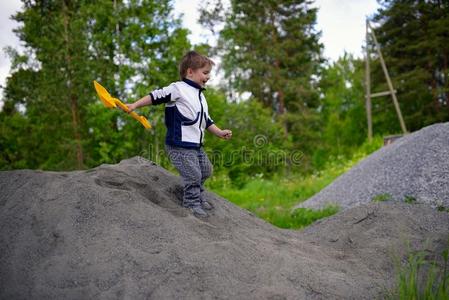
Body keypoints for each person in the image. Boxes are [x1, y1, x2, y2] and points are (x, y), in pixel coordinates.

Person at [126, 51, 232, 218]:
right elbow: (155, 96)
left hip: (195, 146)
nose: (208, 77)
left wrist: (219, 132)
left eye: (209, 73)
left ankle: (197, 195)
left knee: (206, 170)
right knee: (193, 174)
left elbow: (206, 120)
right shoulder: (178, 89)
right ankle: (191, 204)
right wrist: (135, 105)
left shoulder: (201, 97)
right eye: (205, 73)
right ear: (190, 72)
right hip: (178, 144)